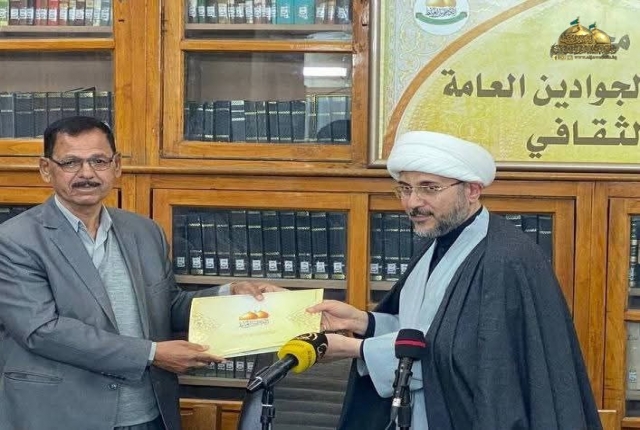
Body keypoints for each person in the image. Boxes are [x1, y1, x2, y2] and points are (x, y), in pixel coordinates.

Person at [0, 116, 282, 430]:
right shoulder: (15, 240)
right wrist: (151, 354)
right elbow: (41, 331)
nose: (87, 173)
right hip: (63, 415)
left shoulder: (145, 232)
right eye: (70, 162)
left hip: (149, 412)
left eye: (99, 161)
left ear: (116, 165)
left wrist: (231, 294)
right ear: (45, 169)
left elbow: (167, 307)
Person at [308, 131, 602, 429]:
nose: (413, 203)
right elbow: (422, 329)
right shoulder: (433, 244)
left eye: (429, 188)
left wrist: (356, 349)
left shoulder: (505, 258)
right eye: (405, 188)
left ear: (472, 190)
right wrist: (362, 322)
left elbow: (473, 359)